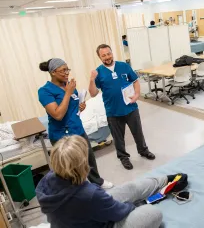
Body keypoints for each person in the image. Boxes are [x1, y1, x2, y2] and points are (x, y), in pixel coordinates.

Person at [36, 135, 177, 228]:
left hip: (82, 214)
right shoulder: (89, 194)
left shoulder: (45, 181)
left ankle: (164, 180)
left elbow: (97, 201)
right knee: (153, 213)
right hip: (98, 219)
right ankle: (160, 185)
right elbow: (117, 213)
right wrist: (134, 205)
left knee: (129, 188)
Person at [38, 58, 113, 189]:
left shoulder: (69, 85)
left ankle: (97, 181)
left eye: (68, 69)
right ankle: (75, 190)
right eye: (63, 70)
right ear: (53, 72)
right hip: (62, 135)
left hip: (78, 129)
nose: (67, 73)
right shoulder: (45, 91)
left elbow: (71, 106)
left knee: (89, 158)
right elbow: (57, 114)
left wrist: (79, 107)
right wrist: (68, 92)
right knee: (69, 167)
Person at [89, 44, 155, 170]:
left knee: (138, 133)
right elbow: (93, 93)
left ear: (112, 53)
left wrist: (136, 95)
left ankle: (143, 150)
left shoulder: (123, 66)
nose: (107, 57)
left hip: (131, 108)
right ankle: (124, 158)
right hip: (113, 111)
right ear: (99, 57)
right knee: (118, 138)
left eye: (109, 53)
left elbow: (135, 80)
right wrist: (92, 80)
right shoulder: (99, 72)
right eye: (104, 55)